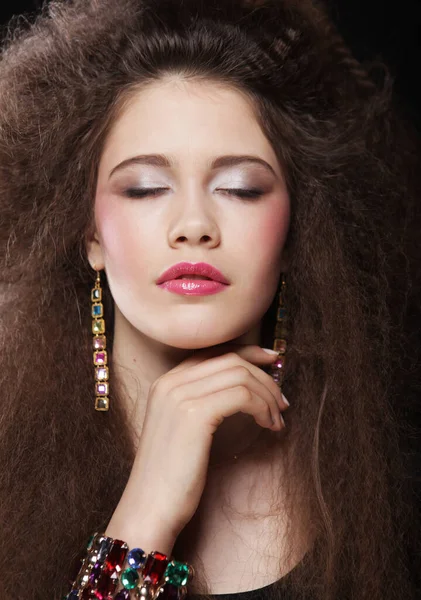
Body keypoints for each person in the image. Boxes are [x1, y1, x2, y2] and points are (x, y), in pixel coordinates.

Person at [0, 0, 419, 598]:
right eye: (145, 189)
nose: (193, 224)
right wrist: (148, 514)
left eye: (241, 188)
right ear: (90, 234)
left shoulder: (389, 474)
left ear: (296, 227)